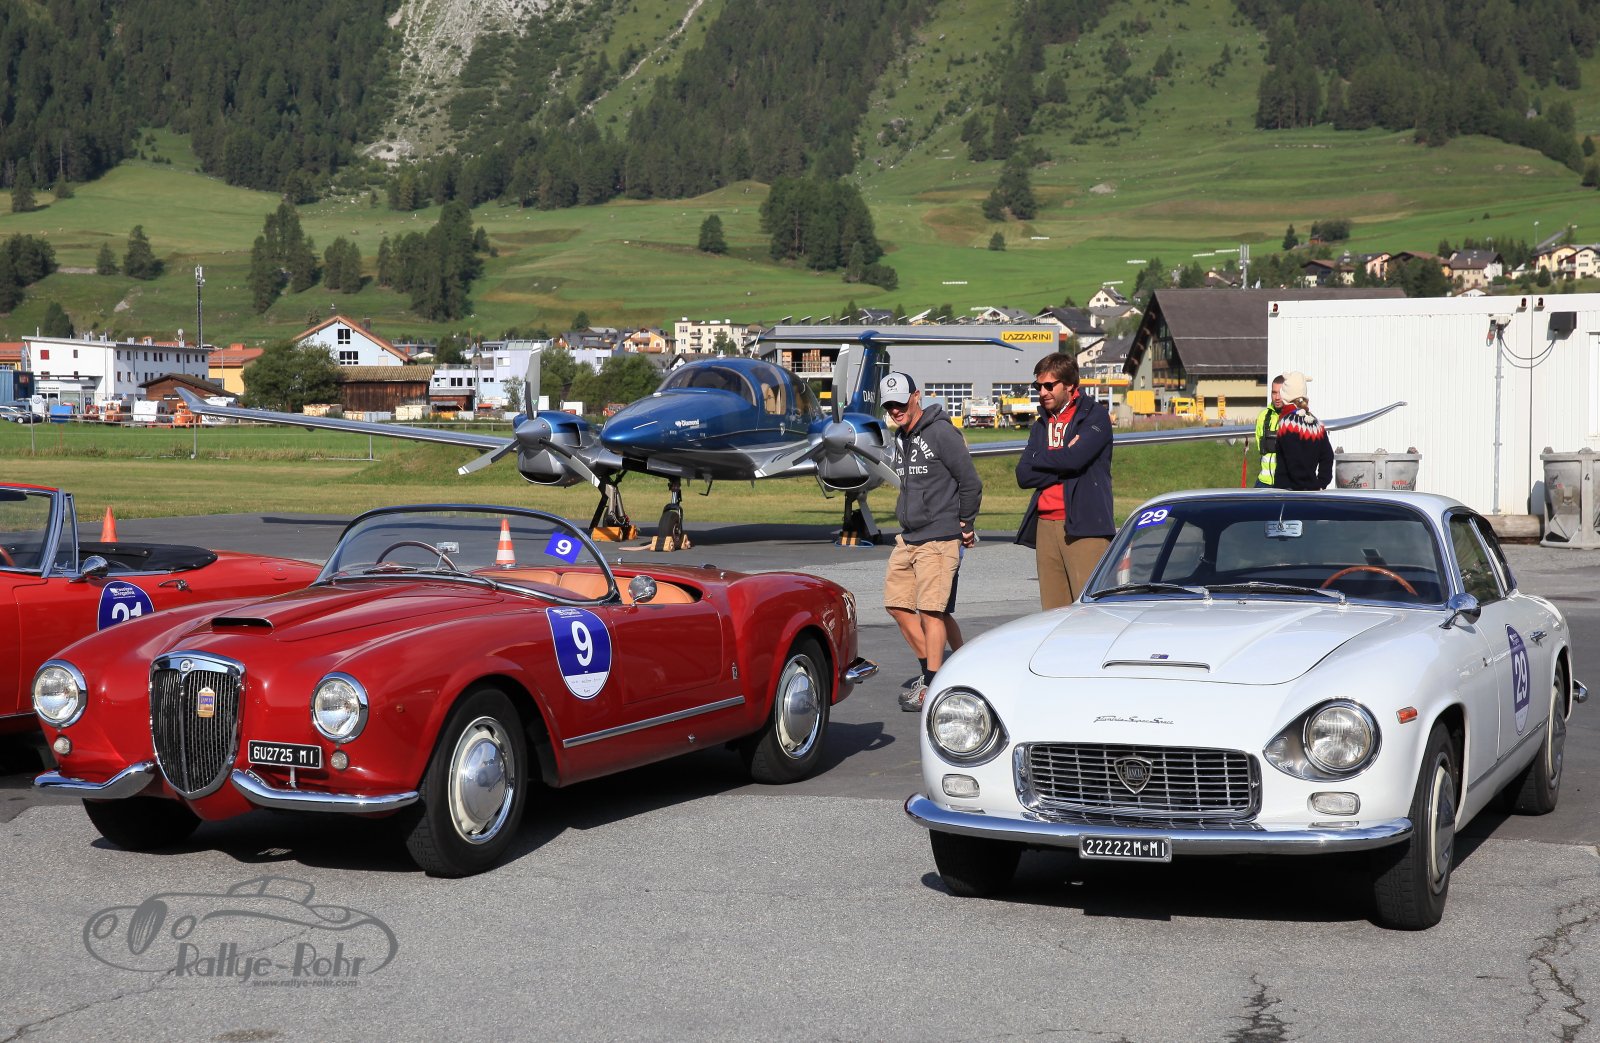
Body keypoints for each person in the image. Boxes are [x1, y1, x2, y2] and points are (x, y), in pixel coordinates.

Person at [878, 371, 982, 712]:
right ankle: (944, 671)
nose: (895, 410)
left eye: (900, 402)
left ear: (916, 396)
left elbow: (970, 482)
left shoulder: (940, 432)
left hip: (939, 536)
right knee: (897, 604)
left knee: (932, 612)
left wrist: (966, 524)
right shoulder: (901, 438)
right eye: (889, 405)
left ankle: (933, 684)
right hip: (909, 536)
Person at [1014, 352, 1114, 609]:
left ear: (1069, 385)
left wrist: (1044, 459)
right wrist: (1064, 458)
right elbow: (1023, 474)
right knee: (1053, 612)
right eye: (1038, 386)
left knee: (1089, 611)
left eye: (1049, 385)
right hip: (1046, 525)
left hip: (1084, 525)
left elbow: (1075, 459)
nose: (1042, 392)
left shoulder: (1094, 416)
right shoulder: (1041, 423)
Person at [1271, 371, 1334, 490]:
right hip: (1312, 492)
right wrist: (1320, 483)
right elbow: (1328, 456)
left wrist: (1302, 486)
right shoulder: (1317, 424)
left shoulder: (1287, 423)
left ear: (1285, 395)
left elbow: (1294, 459)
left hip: (1288, 492)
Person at [1254, 375, 1285, 487]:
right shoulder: (1263, 416)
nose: (1277, 397)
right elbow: (1260, 448)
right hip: (1263, 482)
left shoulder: (1293, 417)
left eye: (1280, 393)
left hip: (1285, 484)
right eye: (1274, 393)